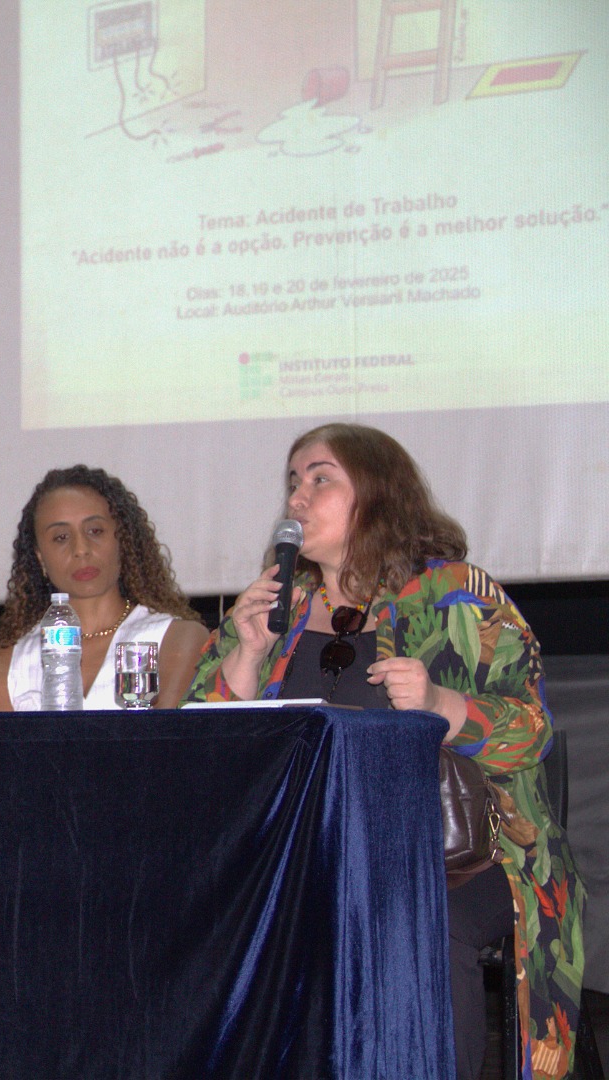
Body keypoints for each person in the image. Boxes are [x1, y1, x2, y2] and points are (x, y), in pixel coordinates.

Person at [184, 423, 583, 1079]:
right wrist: (247, 657)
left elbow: (531, 729)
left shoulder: (455, 594)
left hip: (460, 853)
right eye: (292, 482)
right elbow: (204, 761)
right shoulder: (267, 611)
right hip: (312, 853)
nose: (298, 497)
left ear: (377, 492)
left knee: (417, 919)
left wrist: (441, 708)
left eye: (320, 479)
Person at [0, 465, 208, 712]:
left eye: (95, 531)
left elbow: (161, 744)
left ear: (124, 539)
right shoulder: (4, 665)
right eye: (61, 537)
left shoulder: (176, 639)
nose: (81, 549)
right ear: (40, 558)